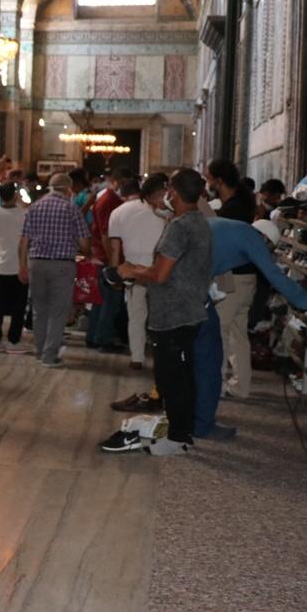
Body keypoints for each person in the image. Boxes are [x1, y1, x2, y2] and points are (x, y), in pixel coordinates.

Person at [101, 217, 307, 452]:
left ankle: (188, 420)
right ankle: (199, 425)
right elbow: (274, 275)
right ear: (266, 240)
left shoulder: (225, 226)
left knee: (188, 361)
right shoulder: (252, 239)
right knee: (208, 360)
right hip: (185, 298)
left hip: (176, 292)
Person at [110, 170, 213, 456]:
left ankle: (177, 438)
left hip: (174, 314)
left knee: (172, 379)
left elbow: (160, 274)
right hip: (188, 308)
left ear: (174, 193)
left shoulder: (180, 227)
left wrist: (131, 270)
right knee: (181, 376)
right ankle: (182, 430)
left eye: (169, 189)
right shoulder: (199, 222)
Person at [18, 172, 89, 367]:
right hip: (62, 265)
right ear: (69, 190)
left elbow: (24, 241)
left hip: (36, 263)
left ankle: (40, 351)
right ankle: (49, 356)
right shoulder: (72, 209)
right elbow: (84, 242)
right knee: (58, 312)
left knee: (39, 310)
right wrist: (86, 252)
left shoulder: (35, 207)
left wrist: (22, 266)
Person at [207, 160, 259, 399]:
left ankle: (215, 386)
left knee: (220, 333)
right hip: (246, 276)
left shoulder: (232, 208)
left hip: (231, 276)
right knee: (239, 334)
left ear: (218, 180)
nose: (207, 182)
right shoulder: (241, 203)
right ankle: (240, 386)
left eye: (209, 178)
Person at [107, 174, 168, 370]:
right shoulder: (163, 211)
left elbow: (115, 248)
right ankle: (162, 356)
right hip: (159, 267)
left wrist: (116, 274)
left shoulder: (117, 212)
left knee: (136, 314)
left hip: (132, 269)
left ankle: (137, 357)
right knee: (160, 315)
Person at [86, 167, 133, 351]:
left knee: (100, 301)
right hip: (107, 256)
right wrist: (113, 264)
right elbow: (107, 234)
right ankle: (103, 339)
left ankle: (93, 336)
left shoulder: (104, 198)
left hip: (101, 254)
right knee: (110, 302)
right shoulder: (111, 201)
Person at [0, 181, 28, 350]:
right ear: (15, 195)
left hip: (1, 264)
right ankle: (13, 339)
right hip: (19, 264)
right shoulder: (24, 214)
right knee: (19, 304)